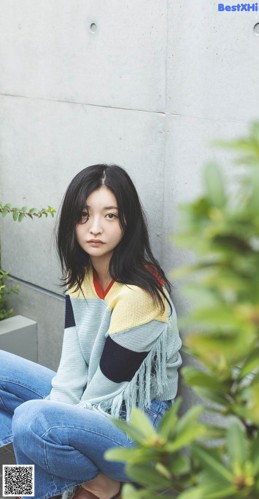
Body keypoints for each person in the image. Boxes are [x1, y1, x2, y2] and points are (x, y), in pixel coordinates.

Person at [0, 164, 182, 499]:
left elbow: (99, 399)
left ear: (128, 222)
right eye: (84, 215)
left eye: (110, 216)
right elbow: (70, 374)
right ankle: (94, 483)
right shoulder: (81, 276)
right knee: (25, 410)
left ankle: (30, 491)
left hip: (138, 427)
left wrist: (44, 424)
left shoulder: (139, 296)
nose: (94, 228)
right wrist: (49, 417)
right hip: (92, 410)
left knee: (30, 421)